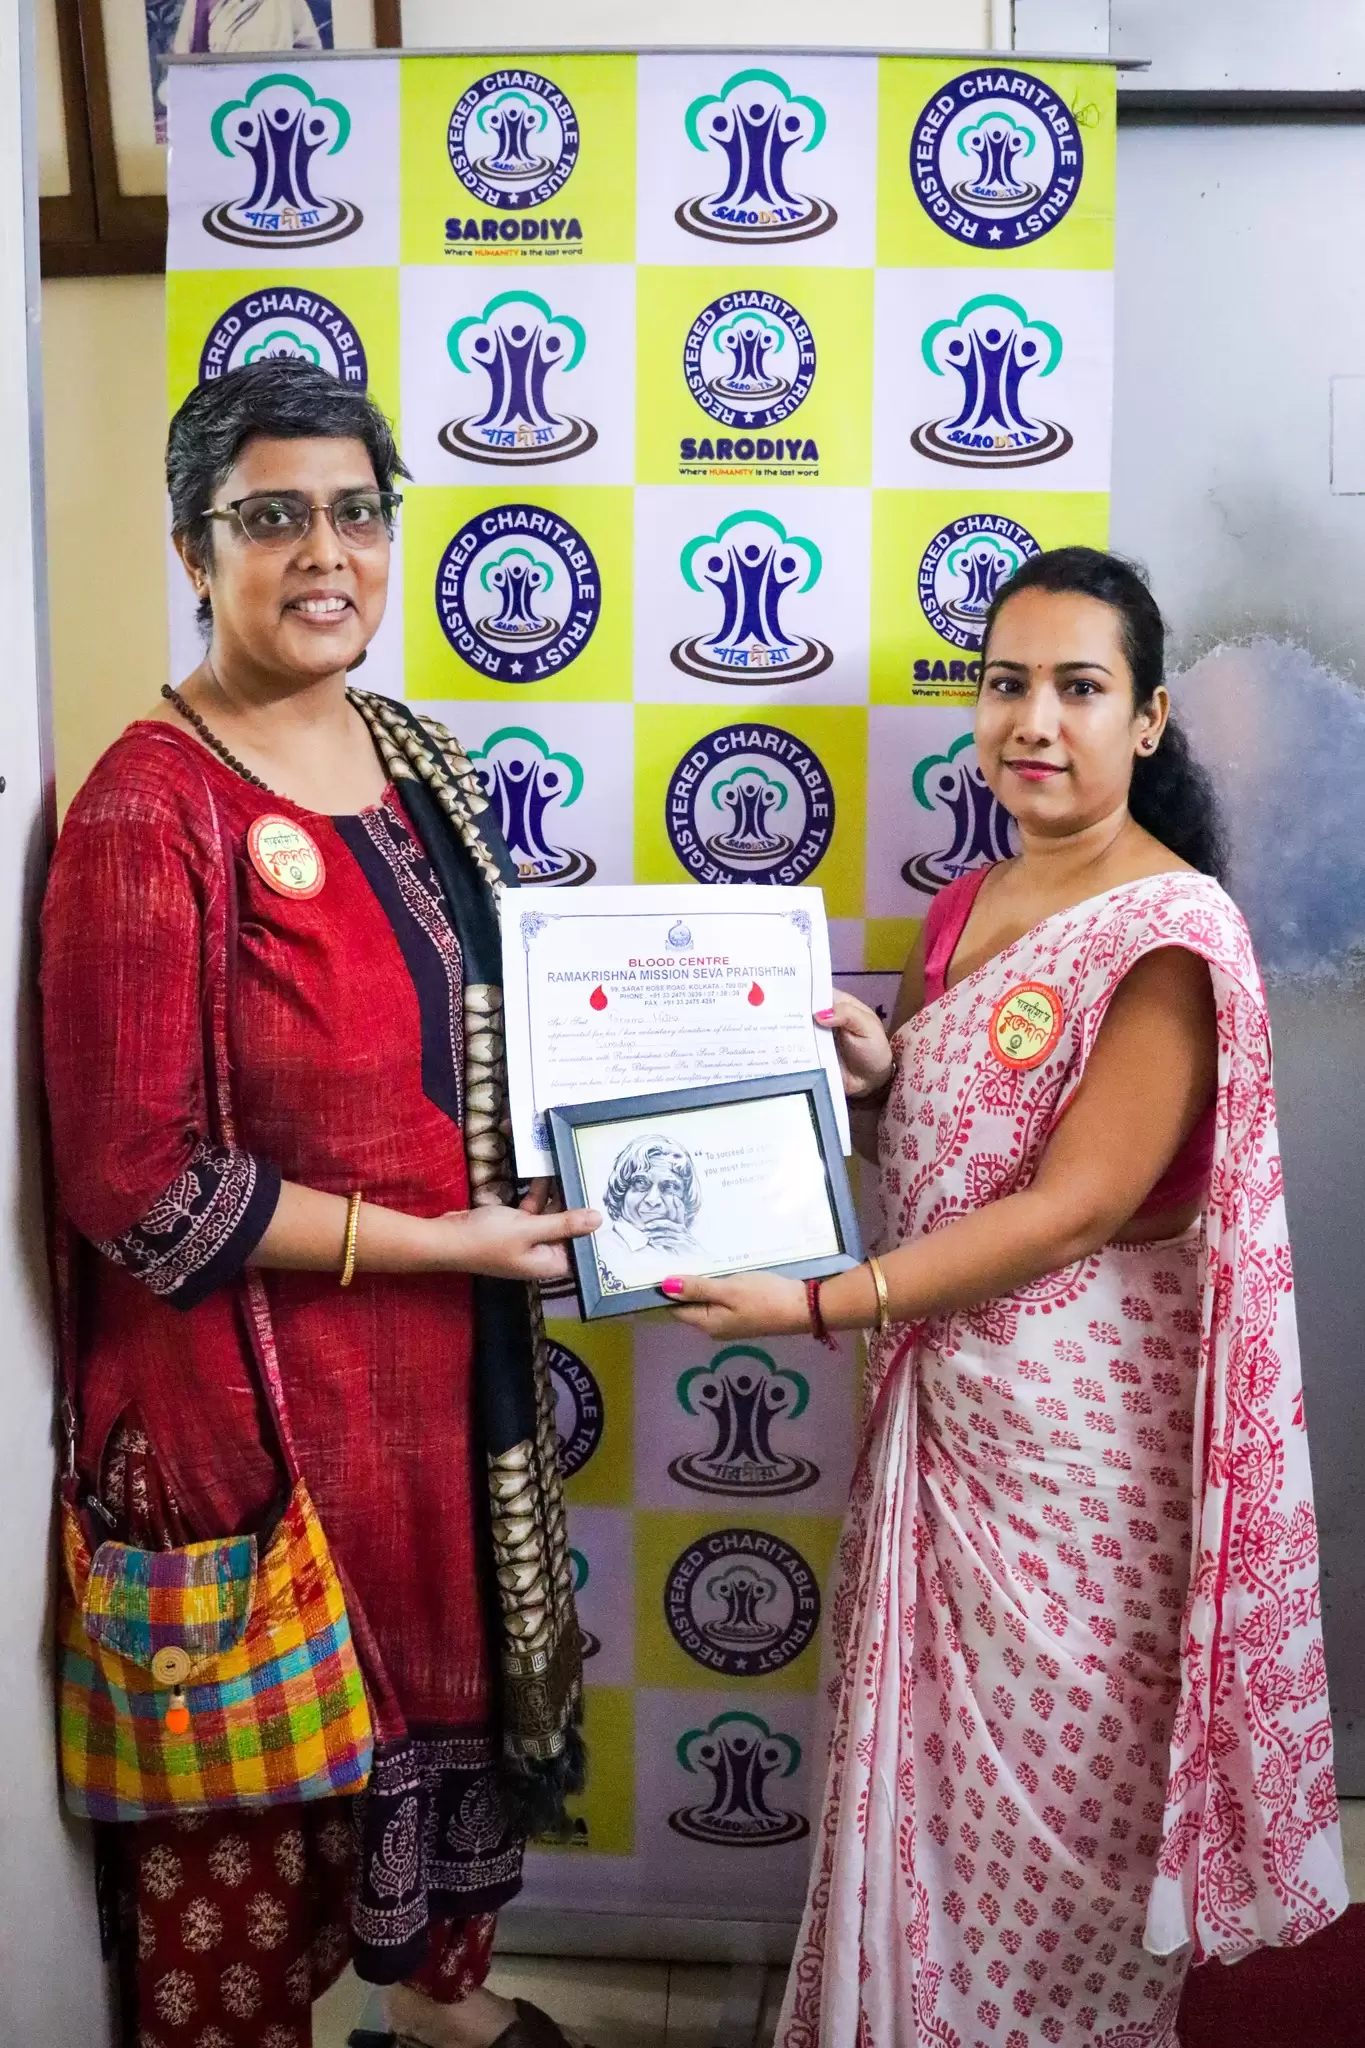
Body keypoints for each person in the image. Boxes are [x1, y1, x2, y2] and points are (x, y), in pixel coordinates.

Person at [661, 549, 1348, 2046]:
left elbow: (1075, 1205)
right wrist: (876, 1078)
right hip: (946, 1419)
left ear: (1147, 720)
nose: (1035, 720)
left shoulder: (1169, 931)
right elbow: (950, 1146)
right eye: (1007, 684)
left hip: (1081, 1467)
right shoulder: (967, 900)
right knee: (930, 1797)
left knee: (1064, 1799)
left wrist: (821, 1306)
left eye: (1079, 688)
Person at [42, 358, 602, 2048]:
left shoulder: (411, 753)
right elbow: (132, 1181)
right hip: (253, 1421)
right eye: (271, 517)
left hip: (438, 1400)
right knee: (250, 1862)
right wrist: (437, 1245)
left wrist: (745, 1057)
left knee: (427, 1748)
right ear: (193, 549)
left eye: (357, 512)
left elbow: (498, 1031)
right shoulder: (152, 806)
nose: (324, 553)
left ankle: (431, 2014)